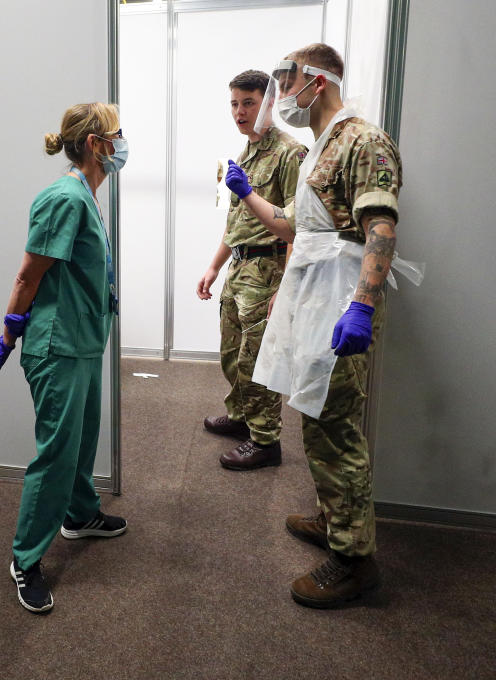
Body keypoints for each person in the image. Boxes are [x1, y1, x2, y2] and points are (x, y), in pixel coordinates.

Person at [223, 44, 410, 608]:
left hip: (340, 297)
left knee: (334, 425)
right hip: (313, 291)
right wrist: (248, 196)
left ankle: (355, 559)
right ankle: (334, 517)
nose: (282, 94)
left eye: (288, 81)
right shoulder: (321, 149)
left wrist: (363, 306)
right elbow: (293, 229)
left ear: (318, 80)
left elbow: (380, 225)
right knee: (314, 413)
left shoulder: (362, 140)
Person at [0, 103, 128, 614]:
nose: (122, 143)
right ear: (95, 143)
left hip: (83, 339)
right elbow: (27, 276)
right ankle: (26, 558)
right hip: (56, 344)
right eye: (117, 135)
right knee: (56, 451)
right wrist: (8, 334)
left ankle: (81, 514)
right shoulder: (63, 198)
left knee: (83, 437)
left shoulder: (87, 196)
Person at [196, 70, 306, 471]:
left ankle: (265, 439)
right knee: (231, 353)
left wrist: (288, 285)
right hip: (240, 267)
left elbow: (300, 225)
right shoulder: (245, 155)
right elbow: (237, 222)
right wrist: (213, 265)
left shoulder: (290, 154)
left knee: (257, 359)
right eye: (234, 104)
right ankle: (242, 416)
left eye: (248, 103)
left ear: (269, 103)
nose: (240, 112)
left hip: (270, 267)